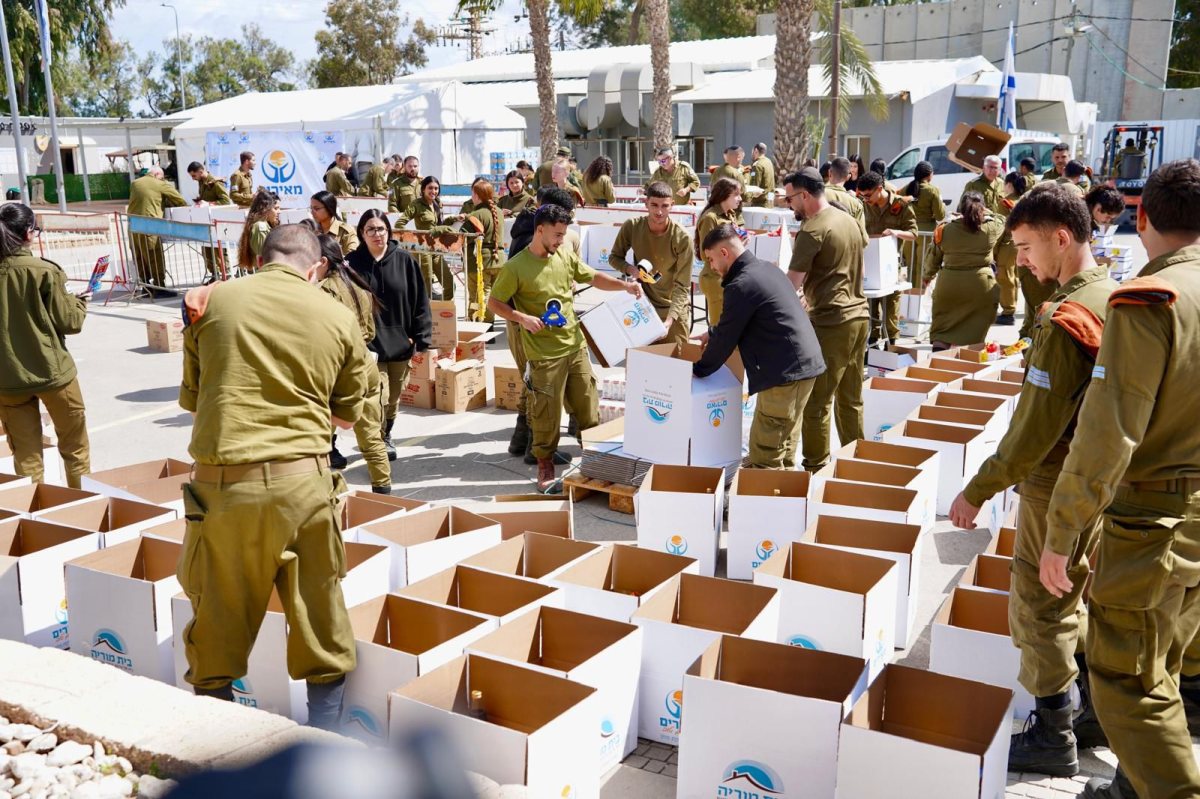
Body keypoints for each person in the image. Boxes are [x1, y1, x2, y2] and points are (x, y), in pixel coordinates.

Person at [1041, 159, 1200, 799]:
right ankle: (1138, 782)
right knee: (1171, 657)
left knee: (1128, 680)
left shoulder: (1149, 301)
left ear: (1141, 216)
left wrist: (1062, 531)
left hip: (1152, 523)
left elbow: (1107, 436)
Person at [947, 183, 1115, 778]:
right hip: (1098, 482)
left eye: (1023, 246)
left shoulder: (1067, 315)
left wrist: (978, 489)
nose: (1019, 259)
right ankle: (1092, 713)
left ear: (1061, 238)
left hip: (1055, 481)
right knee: (1077, 597)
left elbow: (1034, 432)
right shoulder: (1111, 295)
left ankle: (1053, 733)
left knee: (1040, 609)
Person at [177, 223, 370, 730]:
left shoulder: (210, 304)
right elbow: (347, 417)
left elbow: (196, 401)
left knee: (216, 616)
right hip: (304, 485)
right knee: (319, 618)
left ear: (262, 259)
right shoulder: (337, 315)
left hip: (223, 489)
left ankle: (217, 749)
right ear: (314, 268)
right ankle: (325, 747)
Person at [488, 204, 643, 493]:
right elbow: (494, 303)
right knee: (546, 414)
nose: (561, 240)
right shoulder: (516, 267)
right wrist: (521, 317)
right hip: (544, 355)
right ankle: (544, 465)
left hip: (575, 346)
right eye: (558, 234)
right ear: (540, 230)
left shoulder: (563, 255)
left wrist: (625, 286)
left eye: (564, 234)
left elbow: (593, 277)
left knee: (588, 405)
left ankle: (597, 461)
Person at [694, 223, 825, 469]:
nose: (711, 267)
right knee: (784, 446)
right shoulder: (766, 269)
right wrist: (713, 333)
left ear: (725, 253)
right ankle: (785, 498)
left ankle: (765, 503)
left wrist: (698, 370)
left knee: (766, 452)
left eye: (711, 259)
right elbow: (746, 318)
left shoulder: (741, 284)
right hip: (803, 365)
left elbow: (727, 338)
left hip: (785, 374)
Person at [0, 203, 90, 488]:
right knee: (74, 449)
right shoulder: (43, 271)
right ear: (29, 233)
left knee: (26, 457)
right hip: (53, 373)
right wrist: (80, 301)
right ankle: (83, 506)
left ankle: (37, 515)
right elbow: (71, 322)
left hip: (8, 380)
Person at [785, 167, 869, 471]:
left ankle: (816, 468)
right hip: (859, 315)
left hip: (832, 322)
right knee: (851, 399)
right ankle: (856, 462)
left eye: (790, 198)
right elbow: (854, 267)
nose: (789, 204)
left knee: (817, 402)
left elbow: (790, 284)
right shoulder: (848, 220)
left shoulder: (812, 229)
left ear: (804, 195)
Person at [503, 186, 580, 467]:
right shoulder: (531, 241)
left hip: (521, 319)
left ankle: (520, 440)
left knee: (530, 381)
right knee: (539, 384)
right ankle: (535, 450)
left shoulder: (523, 230)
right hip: (528, 321)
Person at [348, 209, 432, 462]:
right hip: (367, 345)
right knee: (377, 398)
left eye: (381, 229)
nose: (377, 234)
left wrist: (420, 337)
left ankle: (385, 434)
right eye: (370, 230)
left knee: (393, 398)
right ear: (362, 234)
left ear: (388, 231)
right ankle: (377, 441)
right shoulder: (351, 264)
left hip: (400, 343)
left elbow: (420, 300)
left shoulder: (405, 260)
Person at [313, 234, 392, 491]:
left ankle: (322, 489)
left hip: (338, 369)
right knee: (371, 437)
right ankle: (384, 489)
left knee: (320, 436)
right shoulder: (359, 286)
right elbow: (369, 331)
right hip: (364, 363)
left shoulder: (324, 292)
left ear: (323, 261)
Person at [608, 181, 694, 346]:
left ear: (672, 205)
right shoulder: (632, 226)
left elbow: (682, 286)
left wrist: (669, 321)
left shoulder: (682, 238)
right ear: (646, 203)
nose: (659, 211)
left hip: (673, 310)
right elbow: (614, 257)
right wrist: (631, 270)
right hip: (642, 306)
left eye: (665, 206)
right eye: (654, 205)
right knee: (643, 365)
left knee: (678, 364)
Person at [922, 191, 1005, 348]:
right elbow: (1002, 220)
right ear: (982, 208)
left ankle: (938, 366)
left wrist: (927, 276)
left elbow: (933, 259)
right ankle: (966, 368)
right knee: (975, 336)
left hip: (949, 285)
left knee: (942, 331)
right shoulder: (991, 228)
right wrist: (987, 213)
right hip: (980, 286)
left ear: (960, 208)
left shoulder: (944, 230)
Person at [857, 170, 917, 346]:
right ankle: (873, 342)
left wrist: (895, 232)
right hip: (871, 264)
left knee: (892, 305)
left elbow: (913, 233)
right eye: (863, 196)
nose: (866, 199)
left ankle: (893, 343)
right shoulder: (863, 206)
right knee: (872, 305)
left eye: (868, 195)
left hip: (894, 265)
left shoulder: (901, 204)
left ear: (879, 188)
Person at [963, 156, 1014, 325]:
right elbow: (964, 208)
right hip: (983, 234)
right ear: (983, 167)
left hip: (1003, 233)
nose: (993, 171)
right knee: (983, 272)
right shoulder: (973, 185)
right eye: (990, 167)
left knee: (1004, 272)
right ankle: (980, 308)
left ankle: (1007, 310)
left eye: (997, 168)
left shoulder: (1002, 184)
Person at [127, 165, 186, 298]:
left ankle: (146, 286)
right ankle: (159, 287)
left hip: (133, 225)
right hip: (150, 225)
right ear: (158, 175)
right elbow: (180, 200)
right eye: (163, 177)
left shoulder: (135, 183)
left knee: (140, 256)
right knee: (154, 255)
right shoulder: (159, 184)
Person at [397, 176, 456, 301]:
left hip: (436, 249)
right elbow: (399, 224)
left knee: (450, 284)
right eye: (430, 188)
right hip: (423, 249)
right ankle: (427, 312)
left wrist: (453, 219)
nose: (433, 191)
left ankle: (439, 310)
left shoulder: (437, 204)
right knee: (426, 284)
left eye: (436, 188)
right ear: (423, 189)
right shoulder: (416, 204)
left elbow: (438, 226)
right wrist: (413, 239)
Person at [694, 177, 743, 325]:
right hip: (715, 278)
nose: (740, 199)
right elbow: (705, 253)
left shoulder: (730, 214)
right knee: (719, 326)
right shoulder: (710, 218)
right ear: (724, 195)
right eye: (736, 194)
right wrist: (730, 249)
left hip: (729, 276)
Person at [459, 178, 506, 324]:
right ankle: (488, 324)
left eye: (473, 193)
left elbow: (463, 237)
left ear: (477, 195)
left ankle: (479, 326)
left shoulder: (476, 215)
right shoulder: (499, 212)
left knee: (477, 296)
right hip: (498, 260)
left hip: (479, 262)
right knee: (491, 295)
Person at [187, 161, 234, 282]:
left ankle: (226, 275)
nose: (193, 179)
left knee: (218, 252)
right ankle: (215, 275)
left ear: (201, 172)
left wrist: (209, 204)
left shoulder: (215, 183)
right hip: (206, 220)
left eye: (194, 176)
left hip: (216, 222)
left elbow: (226, 201)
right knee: (206, 251)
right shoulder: (201, 182)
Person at [902, 161, 945, 283]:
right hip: (926, 232)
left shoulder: (906, 188)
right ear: (929, 175)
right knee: (923, 266)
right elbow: (940, 215)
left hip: (909, 231)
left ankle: (909, 297)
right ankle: (919, 297)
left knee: (910, 267)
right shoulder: (932, 190)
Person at [237, 189, 280, 274]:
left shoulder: (265, 224)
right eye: (276, 208)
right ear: (265, 209)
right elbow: (264, 260)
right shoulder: (260, 227)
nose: (279, 211)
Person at [310, 191, 359, 257]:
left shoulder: (346, 231)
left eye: (316, 209)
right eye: (311, 208)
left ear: (329, 208)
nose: (312, 212)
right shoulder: (311, 230)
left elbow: (352, 257)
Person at [747, 142, 776, 208]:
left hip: (759, 204)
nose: (752, 154)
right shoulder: (768, 161)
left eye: (752, 151)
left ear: (756, 150)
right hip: (769, 202)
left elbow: (754, 186)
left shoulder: (757, 165)